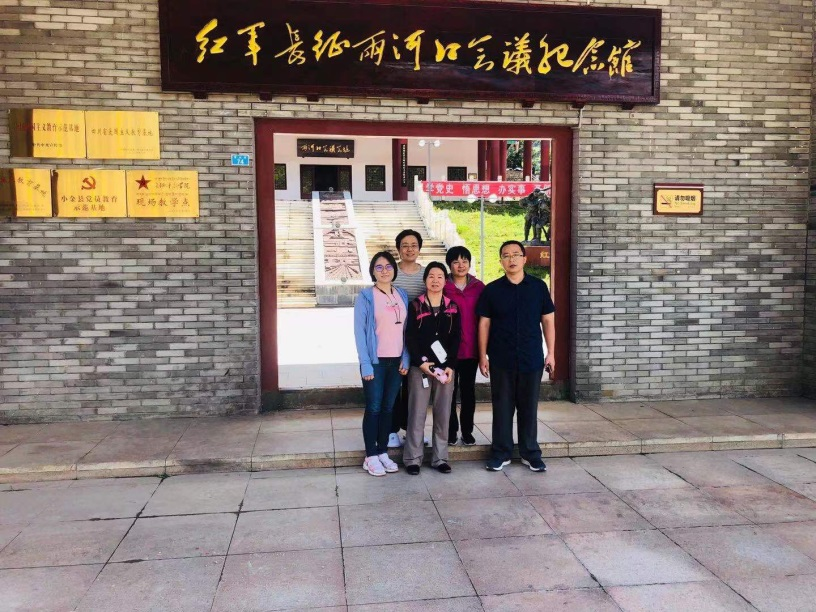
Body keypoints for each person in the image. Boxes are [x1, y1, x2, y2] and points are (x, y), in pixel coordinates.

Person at [476, 240, 555, 473]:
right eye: (506, 255)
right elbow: (484, 324)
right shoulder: (492, 290)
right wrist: (482, 356)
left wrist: (551, 353)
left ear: (524, 259)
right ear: (501, 261)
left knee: (528, 407)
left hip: (531, 358)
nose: (511, 259)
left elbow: (548, 320)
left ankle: (530, 453)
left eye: (515, 254)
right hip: (501, 358)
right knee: (502, 407)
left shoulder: (538, 287)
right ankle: (501, 453)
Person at [353, 251, 409, 477]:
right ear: (372, 271)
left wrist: (406, 357)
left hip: (397, 362)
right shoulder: (366, 296)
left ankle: (383, 451)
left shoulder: (401, 294)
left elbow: (407, 330)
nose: (384, 270)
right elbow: (359, 332)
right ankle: (371, 456)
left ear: (394, 269)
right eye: (379, 267)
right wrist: (365, 364)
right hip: (375, 362)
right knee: (374, 408)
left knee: (388, 408)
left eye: (388, 266)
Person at [404, 262, 461, 475]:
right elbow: (410, 336)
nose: (435, 280)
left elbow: (456, 338)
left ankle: (440, 458)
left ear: (445, 281)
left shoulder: (452, 307)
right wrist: (420, 362)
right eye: (431, 276)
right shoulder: (416, 305)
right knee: (417, 413)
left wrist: (450, 365)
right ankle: (413, 458)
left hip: (444, 370)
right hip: (420, 368)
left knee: (443, 413)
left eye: (439, 276)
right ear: (425, 280)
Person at [388, 229, 427, 448]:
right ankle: (392, 430)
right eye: (405, 245)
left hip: (419, 338)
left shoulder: (427, 274)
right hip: (394, 338)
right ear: (398, 249)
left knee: (416, 389)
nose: (409, 249)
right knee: (395, 386)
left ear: (419, 248)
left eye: (413, 245)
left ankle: (414, 431)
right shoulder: (391, 272)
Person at [444, 246, 485, 446]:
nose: (461, 265)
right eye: (456, 262)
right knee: (449, 393)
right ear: (449, 265)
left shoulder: (479, 287)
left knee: (468, 392)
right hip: (448, 352)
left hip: (471, 350)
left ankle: (467, 432)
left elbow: (485, 319)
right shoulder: (443, 286)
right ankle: (451, 431)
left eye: (464, 261)